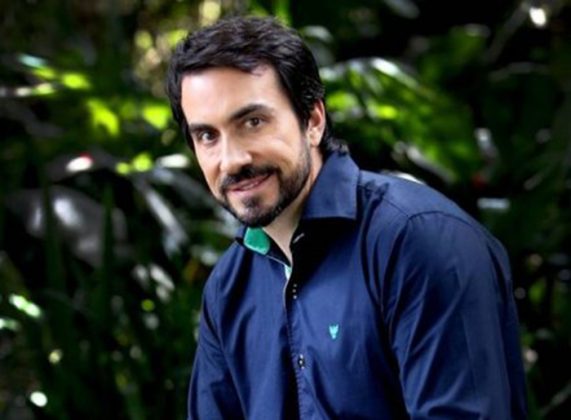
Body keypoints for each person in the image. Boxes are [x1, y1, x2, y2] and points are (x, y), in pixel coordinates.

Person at [166, 16, 527, 420]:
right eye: (207, 136)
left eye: (253, 122)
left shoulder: (419, 240)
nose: (232, 159)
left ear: (313, 120)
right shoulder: (227, 287)